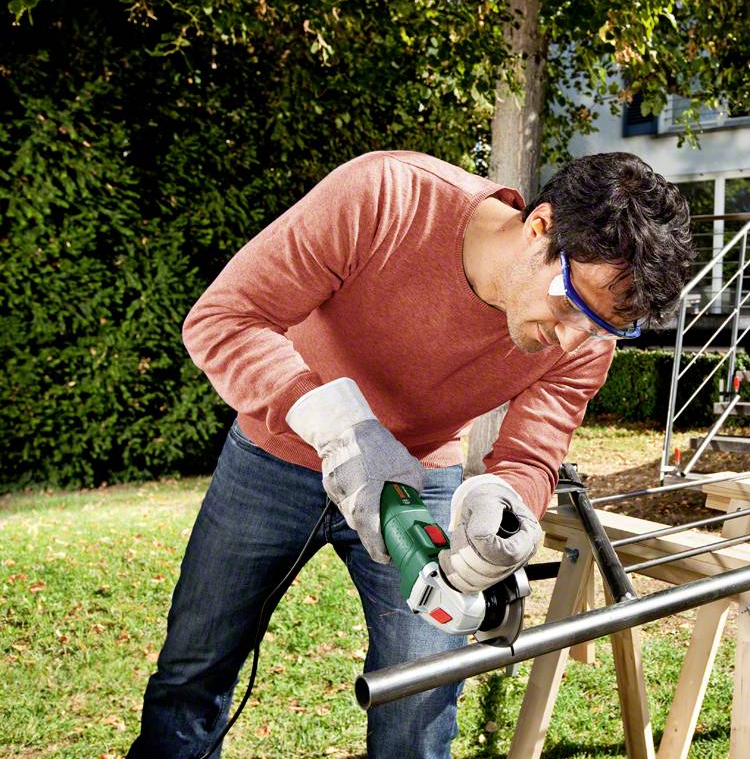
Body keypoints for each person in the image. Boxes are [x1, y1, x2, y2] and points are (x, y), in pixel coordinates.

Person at [127, 150, 693, 758]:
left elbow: (531, 455)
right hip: (275, 456)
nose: (570, 339)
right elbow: (224, 319)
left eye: (603, 326)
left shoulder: (582, 342)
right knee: (194, 671)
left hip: (419, 475)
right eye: (569, 305)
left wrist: (502, 503)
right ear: (540, 228)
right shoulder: (387, 197)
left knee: (422, 698)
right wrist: (343, 429)